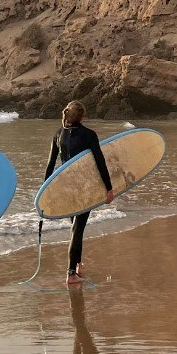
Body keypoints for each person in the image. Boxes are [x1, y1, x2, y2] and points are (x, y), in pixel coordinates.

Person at [42, 99, 114, 284]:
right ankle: (71, 273)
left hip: (65, 188)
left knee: (76, 227)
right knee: (77, 229)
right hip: (83, 188)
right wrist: (109, 188)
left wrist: (45, 191)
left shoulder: (58, 134)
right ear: (82, 116)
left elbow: (50, 166)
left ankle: (78, 264)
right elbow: (100, 162)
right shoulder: (88, 134)